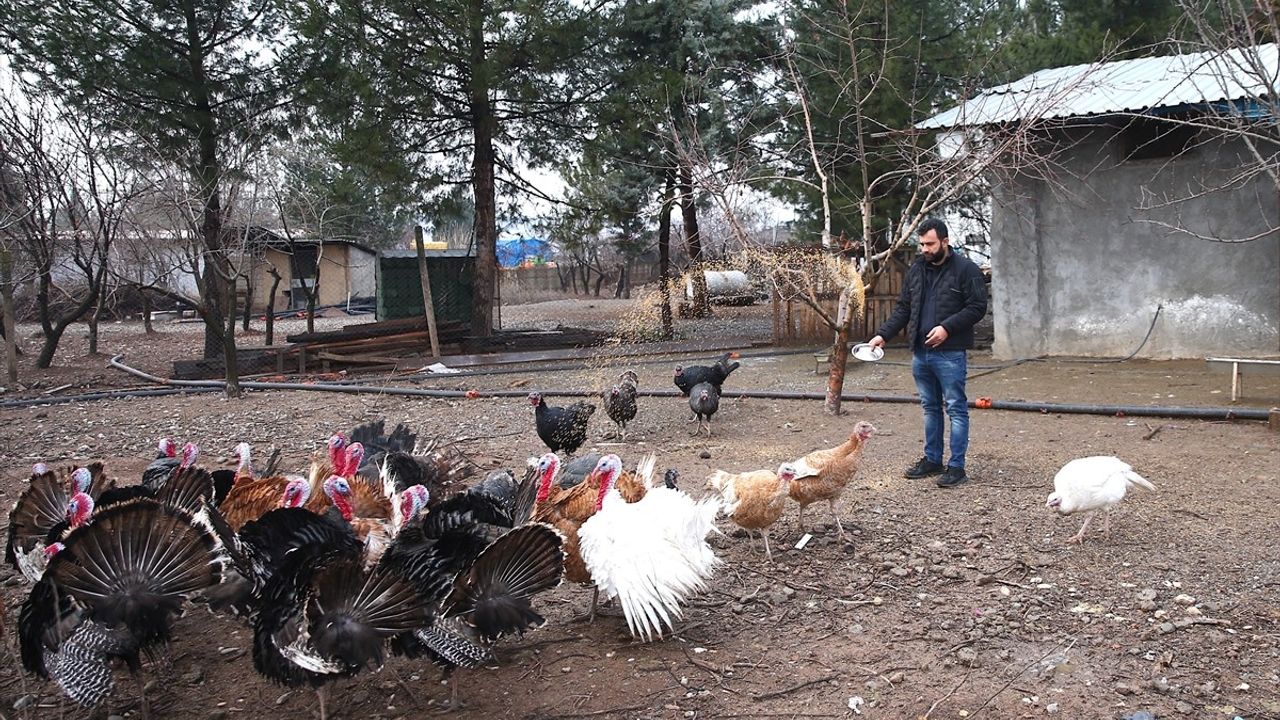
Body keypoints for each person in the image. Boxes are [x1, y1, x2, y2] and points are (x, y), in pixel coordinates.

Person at [867, 218, 987, 488]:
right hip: (920, 353)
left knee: (956, 408)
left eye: (930, 244)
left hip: (950, 353)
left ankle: (956, 467)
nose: (924, 249)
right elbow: (904, 308)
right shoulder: (917, 269)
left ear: (945, 241)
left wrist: (947, 328)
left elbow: (977, 307)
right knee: (930, 408)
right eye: (921, 244)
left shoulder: (966, 269)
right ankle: (933, 460)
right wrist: (883, 335)